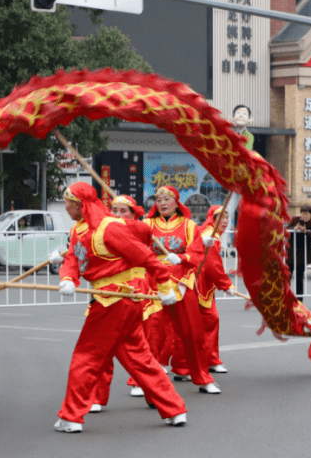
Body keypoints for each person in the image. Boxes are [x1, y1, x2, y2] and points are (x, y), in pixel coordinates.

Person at [53, 182, 187, 433]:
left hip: (112, 301)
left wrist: (165, 286)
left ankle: (71, 416)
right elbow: (72, 258)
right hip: (116, 302)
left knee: (86, 357)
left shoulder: (109, 228)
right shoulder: (78, 230)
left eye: (69, 203)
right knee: (140, 359)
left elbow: (145, 256)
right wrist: (67, 278)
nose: (66, 207)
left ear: (80, 204)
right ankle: (174, 408)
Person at [144, 185, 221, 393]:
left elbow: (196, 252)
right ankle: (142, 381)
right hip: (155, 282)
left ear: (176, 202)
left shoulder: (188, 225)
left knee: (192, 332)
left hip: (182, 281)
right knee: (152, 332)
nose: (162, 203)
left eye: (167, 199)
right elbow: (133, 247)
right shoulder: (146, 224)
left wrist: (182, 257)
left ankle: (203, 378)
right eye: (158, 200)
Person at [196, 205, 234, 374]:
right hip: (197, 284)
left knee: (206, 322)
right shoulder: (210, 235)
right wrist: (226, 284)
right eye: (221, 218)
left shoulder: (211, 234)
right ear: (212, 218)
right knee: (208, 320)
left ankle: (206, 360)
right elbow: (212, 265)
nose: (225, 222)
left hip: (203, 285)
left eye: (227, 218)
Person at [287, 206, 311, 300]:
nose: (304, 216)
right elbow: (286, 231)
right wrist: (294, 229)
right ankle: (286, 298)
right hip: (290, 253)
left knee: (299, 279)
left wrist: (306, 232)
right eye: (303, 213)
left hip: (302, 255)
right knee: (287, 277)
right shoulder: (295, 220)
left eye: (306, 214)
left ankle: (299, 300)